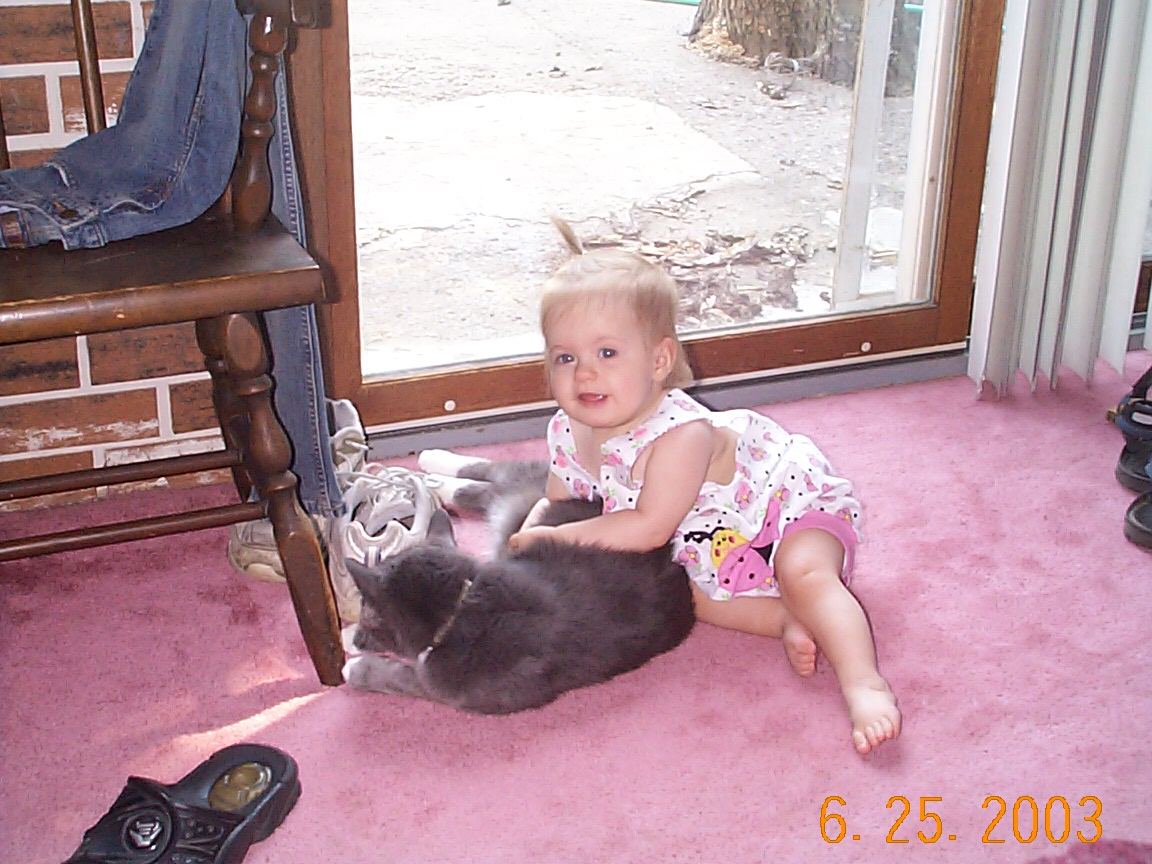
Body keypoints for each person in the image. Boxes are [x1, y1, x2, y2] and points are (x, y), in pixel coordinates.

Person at [509, 219, 900, 754]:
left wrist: (551, 541)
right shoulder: (566, 429)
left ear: (659, 360)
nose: (584, 375)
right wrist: (526, 541)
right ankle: (789, 618)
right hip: (710, 539)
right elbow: (560, 503)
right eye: (565, 358)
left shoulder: (680, 434)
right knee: (688, 598)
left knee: (804, 573)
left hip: (781, 505)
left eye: (607, 354)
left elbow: (648, 528)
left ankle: (864, 683)